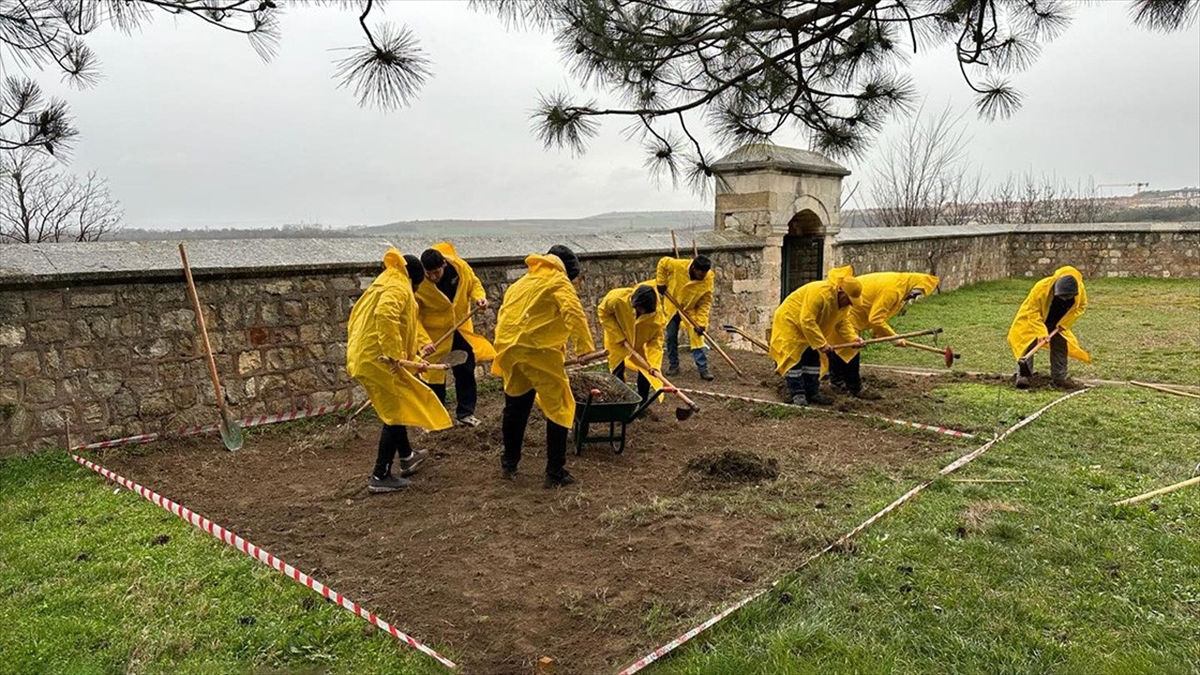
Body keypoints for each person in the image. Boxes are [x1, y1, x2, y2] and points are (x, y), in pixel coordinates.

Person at [346, 248, 452, 494]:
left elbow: (390, 326)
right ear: (415, 279)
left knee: (399, 404)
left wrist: (411, 359)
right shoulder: (399, 287)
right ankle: (380, 474)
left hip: (368, 357)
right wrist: (395, 356)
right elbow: (386, 315)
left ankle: (407, 456)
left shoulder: (384, 282)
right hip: (379, 361)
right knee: (395, 412)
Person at [491, 245, 595, 487]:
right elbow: (573, 311)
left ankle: (509, 462)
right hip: (537, 351)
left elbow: (506, 314)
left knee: (516, 405)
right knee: (559, 406)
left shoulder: (522, 282)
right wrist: (584, 349)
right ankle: (555, 472)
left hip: (510, 350)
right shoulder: (558, 281)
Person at [415, 242, 496, 427]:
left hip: (460, 329)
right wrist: (423, 342)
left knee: (466, 369)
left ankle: (466, 413)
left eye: (436, 272)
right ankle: (435, 419)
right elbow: (414, 317)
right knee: (434, 376)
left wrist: (479, 298)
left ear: (444, 265)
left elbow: (474, 283)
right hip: (433, 337)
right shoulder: (419, 283)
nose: (433, 277)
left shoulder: (460, 269)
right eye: (429, 274)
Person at [833, 271, 941, 398]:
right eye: (915, 294)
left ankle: (837, 382)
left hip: (854, 312)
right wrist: (895, 339)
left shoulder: (901, 286)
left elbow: (881, 313)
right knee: (851, 349)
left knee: (843, 348)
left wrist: (878, 331)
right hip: (848, 312)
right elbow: (876, 319)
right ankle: (854, 388)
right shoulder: (893, 290)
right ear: (912, 286)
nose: (913, 297)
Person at [769, 266, 865, 406]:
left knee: (812, 359)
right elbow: (806, 320)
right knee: (793, 359)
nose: (850, 303)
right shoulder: (820, 293)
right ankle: (797, 394)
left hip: (811, 328)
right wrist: (821, 343)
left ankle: (812, 392)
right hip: (791, 323)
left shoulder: (843, 305)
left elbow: (842, 322)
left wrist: (853, 338)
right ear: (841, 291)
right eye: (849, 299)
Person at [1007, 265, 1090, 389]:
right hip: (1035, 319)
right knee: (1027, 342)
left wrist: (1064, 324)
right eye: (1061, 296)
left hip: (1058, 321)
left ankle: (1059, 377)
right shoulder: (1041, 288)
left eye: (1067, 297)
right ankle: (1023, 376)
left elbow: (1081, 307)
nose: (1064, 299)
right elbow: (1032, 312)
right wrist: (1041, 333)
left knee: (1060, 345)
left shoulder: (1079, 290)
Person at [597, 283, 665, 408]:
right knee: (617, 370)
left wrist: (654, 365)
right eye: (639, 308)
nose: (641, 312)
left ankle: (642, 405)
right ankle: (620, 405)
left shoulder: (656, 317)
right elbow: (603, 312)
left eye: (643, 311)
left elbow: (656, 342)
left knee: (646, 371)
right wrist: (618, 336)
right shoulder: (617, 299)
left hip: (639, 342)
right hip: (617, 340)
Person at [655, 254, 715, 380]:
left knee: (697, 336)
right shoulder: (678, 265)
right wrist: (661, 282)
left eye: (705, 274)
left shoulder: (708, 279)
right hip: (672, 304)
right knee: (671, 336)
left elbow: (705, 302)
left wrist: (702, 323)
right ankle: (673, 365)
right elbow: (662, 262)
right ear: (694, 268)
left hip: (690, 309)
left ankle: (703, 369)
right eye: (700, 274)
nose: (702, 277)